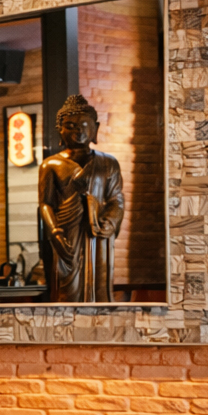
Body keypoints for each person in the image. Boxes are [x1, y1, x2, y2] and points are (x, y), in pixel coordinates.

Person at [38, 94, 125, 302]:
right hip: (66, 234)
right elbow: (46, 203)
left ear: (96, 128)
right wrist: (55, 232)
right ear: (60, 130)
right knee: (67, 290)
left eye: (84, 125)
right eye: (70, 126)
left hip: (98, 233)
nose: (78, 131)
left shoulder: (108, 163)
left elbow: (116, 199)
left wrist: (110, 221)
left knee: (99, 288)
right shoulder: (51, 165)